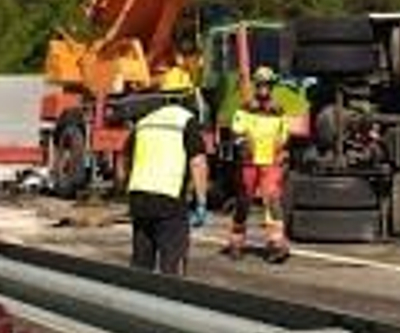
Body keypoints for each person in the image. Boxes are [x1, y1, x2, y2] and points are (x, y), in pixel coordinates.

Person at [125, 95, 210, 276]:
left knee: (140, 263)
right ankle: (170, 301)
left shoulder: (145, 122)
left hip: (139, 198)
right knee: (172, 265)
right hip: (169, 200)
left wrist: (127, 187)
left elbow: (126, 158)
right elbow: (198, 163)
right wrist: (201, 202)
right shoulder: (186, 121)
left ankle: (136, 300)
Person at [224, 65, 292, 263]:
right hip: (249, 163)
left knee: (272, 199)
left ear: (271, 87)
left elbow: (283, 136)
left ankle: (276, 243)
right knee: (244, 202)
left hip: (270, 163)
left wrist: (282, 152)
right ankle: (236, 241)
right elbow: (236, 132)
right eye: (260, 84)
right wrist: (244, 145)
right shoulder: (245, 109)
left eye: (267, 85)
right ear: (256, 85)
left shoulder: (278, 111)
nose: (264, 88)